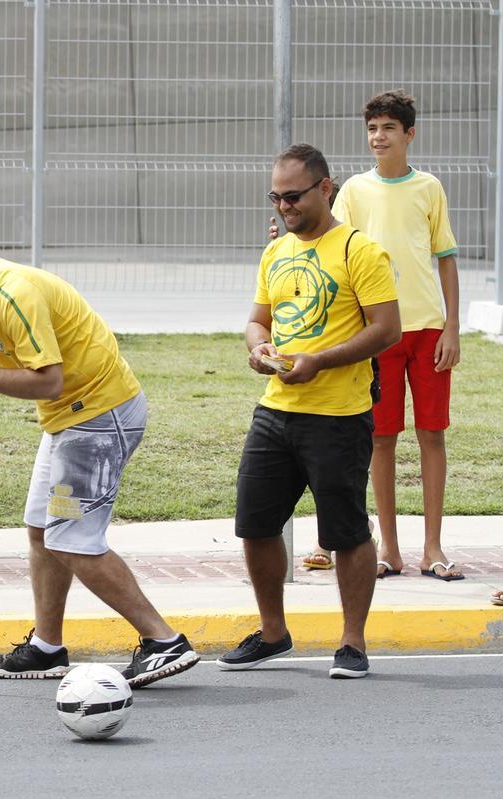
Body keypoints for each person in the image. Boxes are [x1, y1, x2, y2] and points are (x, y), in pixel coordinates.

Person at [0, 254, 200, 687]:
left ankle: (164, 641)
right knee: (42, 530)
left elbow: (48, 381)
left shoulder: (17, 296)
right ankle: (46, 648)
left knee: (72, 540)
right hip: (68, 419)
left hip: (99, 414)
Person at [222, 144, 400, 679]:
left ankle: (352, 642)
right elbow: (259, 319)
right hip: (275, 410)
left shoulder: (359, 251)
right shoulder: (276, 253)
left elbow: (386, 329)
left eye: (294, 196)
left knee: (344, 532)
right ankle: (273, 634)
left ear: (326, 188)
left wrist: (319, 361)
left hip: (338, 416)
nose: (284, 207)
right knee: (254, 524)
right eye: (276, 197)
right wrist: (258, 347)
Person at [333, 90, 463, 582]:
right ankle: (388, 546)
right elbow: (336, 252)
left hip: (428, 329)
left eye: (388, 128)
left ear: (409, 134)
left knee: (433, 434)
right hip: (378, 334)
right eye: (371, 129)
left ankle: (433, 546)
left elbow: (445, 257)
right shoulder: (353, 193)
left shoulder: (429, 187)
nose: (378, 137)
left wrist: (452, 326)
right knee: (382, 438)